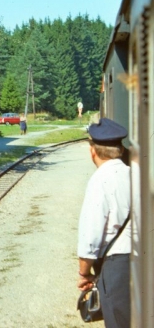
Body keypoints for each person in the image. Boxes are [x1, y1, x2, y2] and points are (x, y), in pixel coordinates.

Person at [77, 118, 131, 328]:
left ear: (93, 151)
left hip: (116, 266)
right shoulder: (134, 175)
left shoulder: (100, 181)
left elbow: (90, 235)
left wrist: (84, 273)